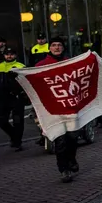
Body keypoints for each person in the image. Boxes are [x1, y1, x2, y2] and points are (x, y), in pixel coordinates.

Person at [35, 37, 82, 182]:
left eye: (59, 45)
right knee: (60, 140)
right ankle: (64, 170)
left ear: (63, 47)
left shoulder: (70, 63)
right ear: (49, 48)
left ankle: (71, 160)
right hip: (52, 110)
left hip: (70, 108)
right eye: (54, 45)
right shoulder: (40, 65)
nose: (56, 48)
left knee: (73, 138)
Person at [0, 45, 27, 151]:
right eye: (7, 54)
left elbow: (26, 83)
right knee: (1, 120)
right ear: (4, 55)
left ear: (15, 55)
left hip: (17, 97)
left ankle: (17, 142)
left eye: (11, 54)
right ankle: (14, 137)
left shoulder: (21, 66)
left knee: (18, 121)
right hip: (4, 98)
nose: (9, 56)